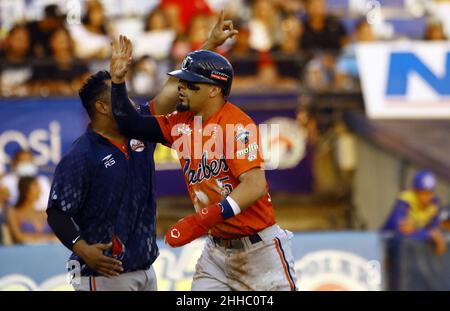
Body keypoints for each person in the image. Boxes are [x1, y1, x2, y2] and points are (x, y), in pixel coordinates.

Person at [46, 13, 236, 291]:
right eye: (118, 94)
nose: (128, 99)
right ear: (101, 107)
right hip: (104, 275)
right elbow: (57, 213)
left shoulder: (141, 128)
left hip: (147, 270)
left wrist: (210, 44)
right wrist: (82, 248)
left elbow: (173, 88)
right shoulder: (82, 155)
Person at [109, 26, 297, 291]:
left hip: (259, 250)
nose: (181, 88)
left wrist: (203, 219)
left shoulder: (237, 125)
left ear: (213, 90)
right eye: (181, 82)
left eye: (190, 84)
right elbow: (131, 124)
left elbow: (254, 185)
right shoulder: (180, 121)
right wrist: (117, 82)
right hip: (217, 253)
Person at [381, 170, 447, 255]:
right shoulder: (405, 200)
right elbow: (400, 229)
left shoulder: (434, 204)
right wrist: (429, 234)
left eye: (429, 192)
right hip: (387, 247)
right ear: (415, 191)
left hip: (410, 253)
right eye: (422, 192)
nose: (426, 197)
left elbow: (437, 230)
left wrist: (427, 233)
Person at [6, 177, 56, 244]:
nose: (40, 191)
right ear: (25, 190)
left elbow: (57, 235)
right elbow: (18, 237)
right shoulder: (13, 212)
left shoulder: (43, 213)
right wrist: (45, 239)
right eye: (36, 186)